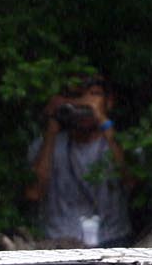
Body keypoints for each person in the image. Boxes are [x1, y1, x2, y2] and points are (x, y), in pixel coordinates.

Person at [26, 73, 136, 246]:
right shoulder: (46, 145)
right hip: (60, 241)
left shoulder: (124, 143)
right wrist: (52, 129)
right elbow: (34, 192)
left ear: (109, 102)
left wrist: (104, 123)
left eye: (94, 94)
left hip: (112, 239)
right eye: (77, 97)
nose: (85, 103)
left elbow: (131, 182)